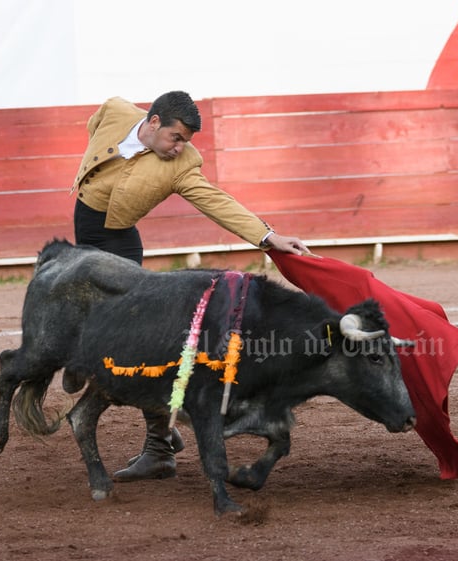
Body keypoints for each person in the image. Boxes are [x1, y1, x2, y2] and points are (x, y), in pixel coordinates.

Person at [69, 90, 309, 483]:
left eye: (186, 142)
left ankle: (159, 448)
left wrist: (268, 237)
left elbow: (217, 201)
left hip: (119, 245)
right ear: (153, 122)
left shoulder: (182, 164)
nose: (180, 148)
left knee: (135, 339)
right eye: (175, 138)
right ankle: (157, 431)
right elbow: (95, 128)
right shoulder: (113, 112)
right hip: (86, 234)